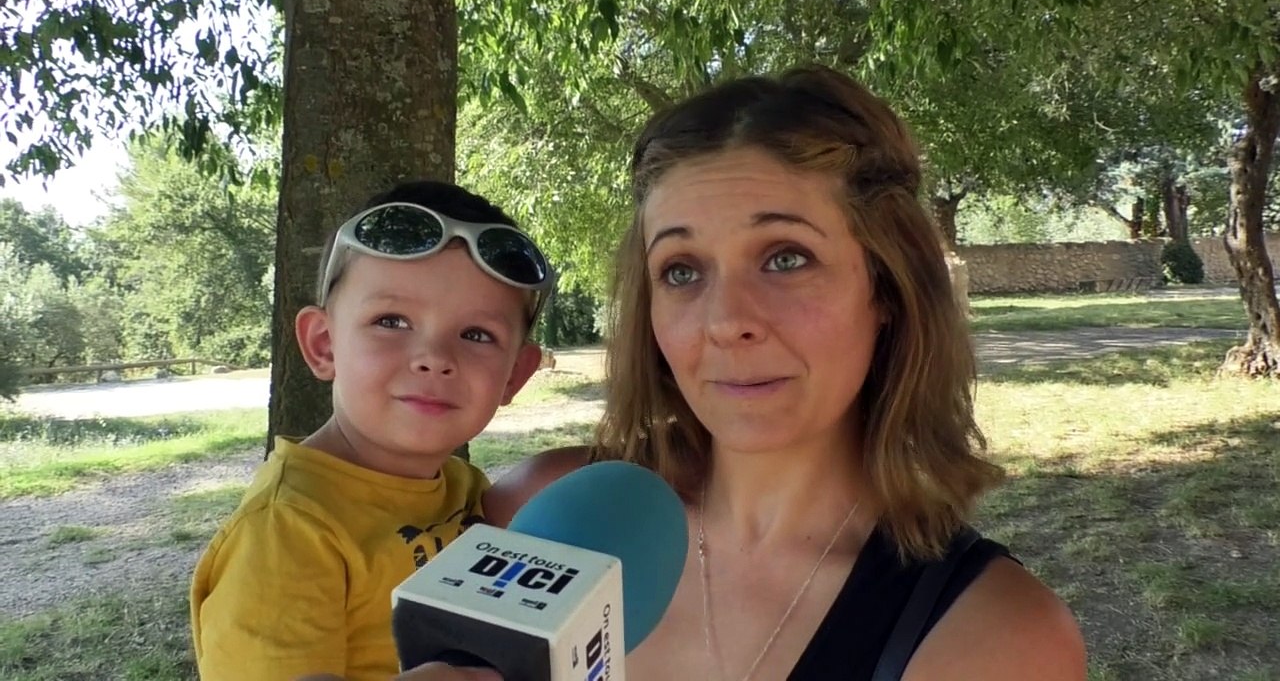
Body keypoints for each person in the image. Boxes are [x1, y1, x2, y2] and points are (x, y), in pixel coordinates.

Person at [486, 65, 1087, 679]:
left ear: (887, 288)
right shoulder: (535, 517)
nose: (726, 321)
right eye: (682, 270)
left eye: (785, 257)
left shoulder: (995, 640)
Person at [190, 180, 555, 681]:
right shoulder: (287, 533)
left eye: (476, 335)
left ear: (515, 374)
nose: (435, 359)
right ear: (323, 345)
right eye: (392, 321)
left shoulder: (463, 487)